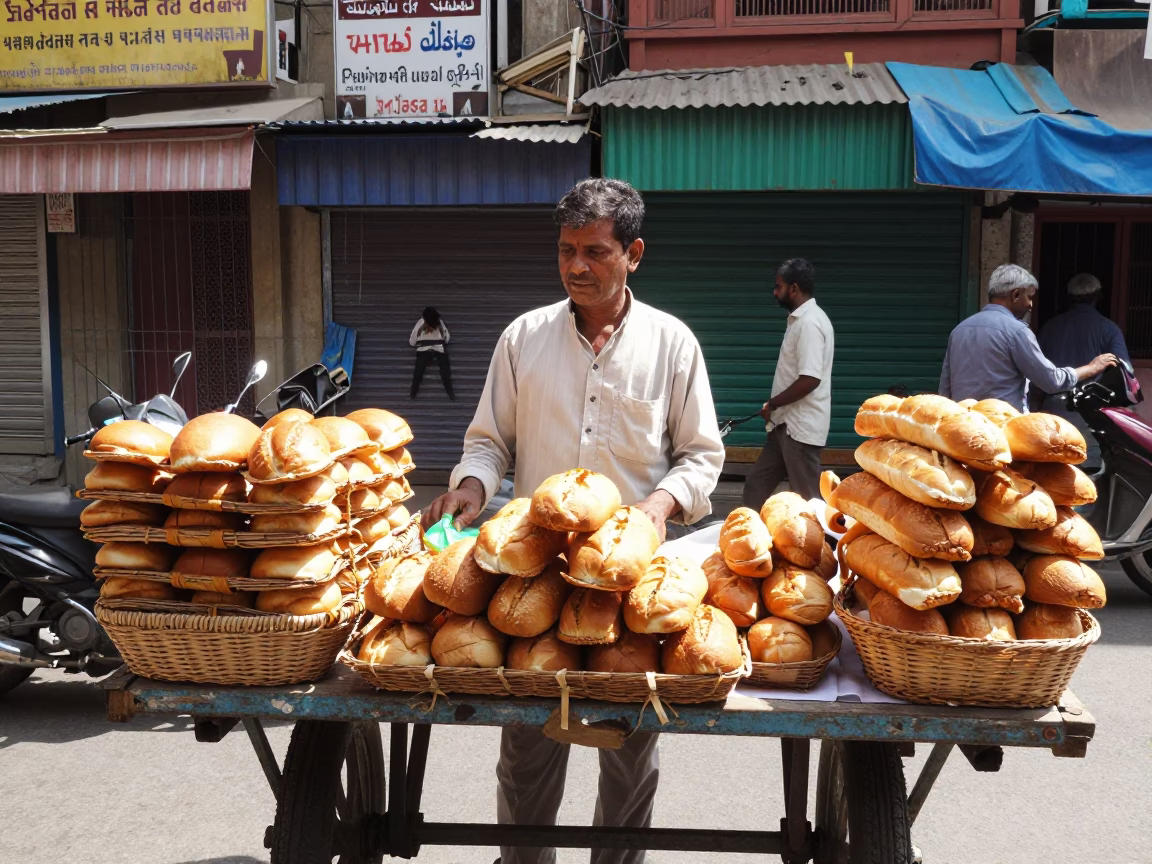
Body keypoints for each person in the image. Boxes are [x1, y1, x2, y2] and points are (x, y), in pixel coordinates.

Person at [422, 178, 724, 864]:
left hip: (631, 580)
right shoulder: (523, 337)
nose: (577, 266)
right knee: (526, 748)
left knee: (628, 757)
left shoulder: (672, 344)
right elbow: (489, 442)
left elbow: (702, 458)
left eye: (595, 251)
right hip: (534, 571)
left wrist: (657, 507)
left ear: (634, 253)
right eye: (566, 251)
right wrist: (471, 489)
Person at [939, 264, 1117, 411]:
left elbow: (945, 390)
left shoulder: (960, 330)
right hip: (1002, 431)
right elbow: (1051, 381)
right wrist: (1092, 368)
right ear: (1016, 295)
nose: (1031, 305)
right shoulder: (1017, 331)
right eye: (1029, 297)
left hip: (963, 429)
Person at [741, 258, 835, 510]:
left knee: (809, 500)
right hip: (784, 425)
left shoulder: (809, 323)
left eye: (778, 286)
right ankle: (747, 535)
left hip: (800, 429)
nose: (775, 292)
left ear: (793, 288)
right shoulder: (801, 320)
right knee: (756, 485)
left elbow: (810, 379)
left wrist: (773, 402)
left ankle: (826, 546)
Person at [1033, 273, 1131, 466]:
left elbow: (1034, 374)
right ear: (1098, 297)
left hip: (1053, 413)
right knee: (1088, 474)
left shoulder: (1049, 328)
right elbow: (1124, 373)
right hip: (1090, 414)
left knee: (1054, 474)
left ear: (1069, 298)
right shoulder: (1109, 329)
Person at [409, 306, 455, 401]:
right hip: (439, 350)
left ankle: (412, 394)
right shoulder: (439, 323)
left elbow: (412, 341)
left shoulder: (420, 323)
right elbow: (447, 339)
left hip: (423, 350)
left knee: (418, 374)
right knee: (445, 373)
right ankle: (451, 395)